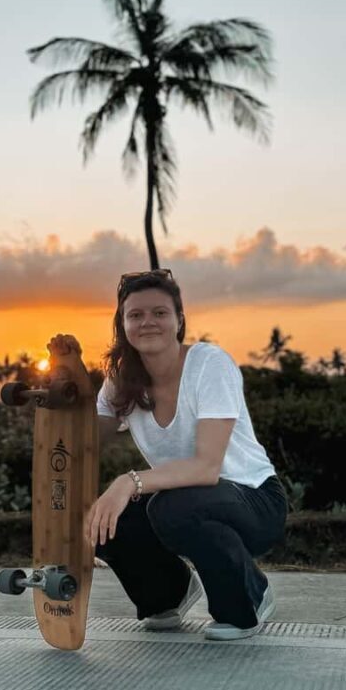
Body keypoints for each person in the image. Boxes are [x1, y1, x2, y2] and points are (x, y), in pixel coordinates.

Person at [50, 268, 289, 640]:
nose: (148, 322)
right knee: (103, 520)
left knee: (168, 506)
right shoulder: (122, 378)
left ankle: (249, 600)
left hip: (253, 500)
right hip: (183, 501)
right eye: (136, 315)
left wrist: (128, 482)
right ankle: (169, 594)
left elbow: (207, 468)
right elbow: (87, 441)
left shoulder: (209, 364)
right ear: (122, 324)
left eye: (159, 313)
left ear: (179, 320)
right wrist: (72, 379)